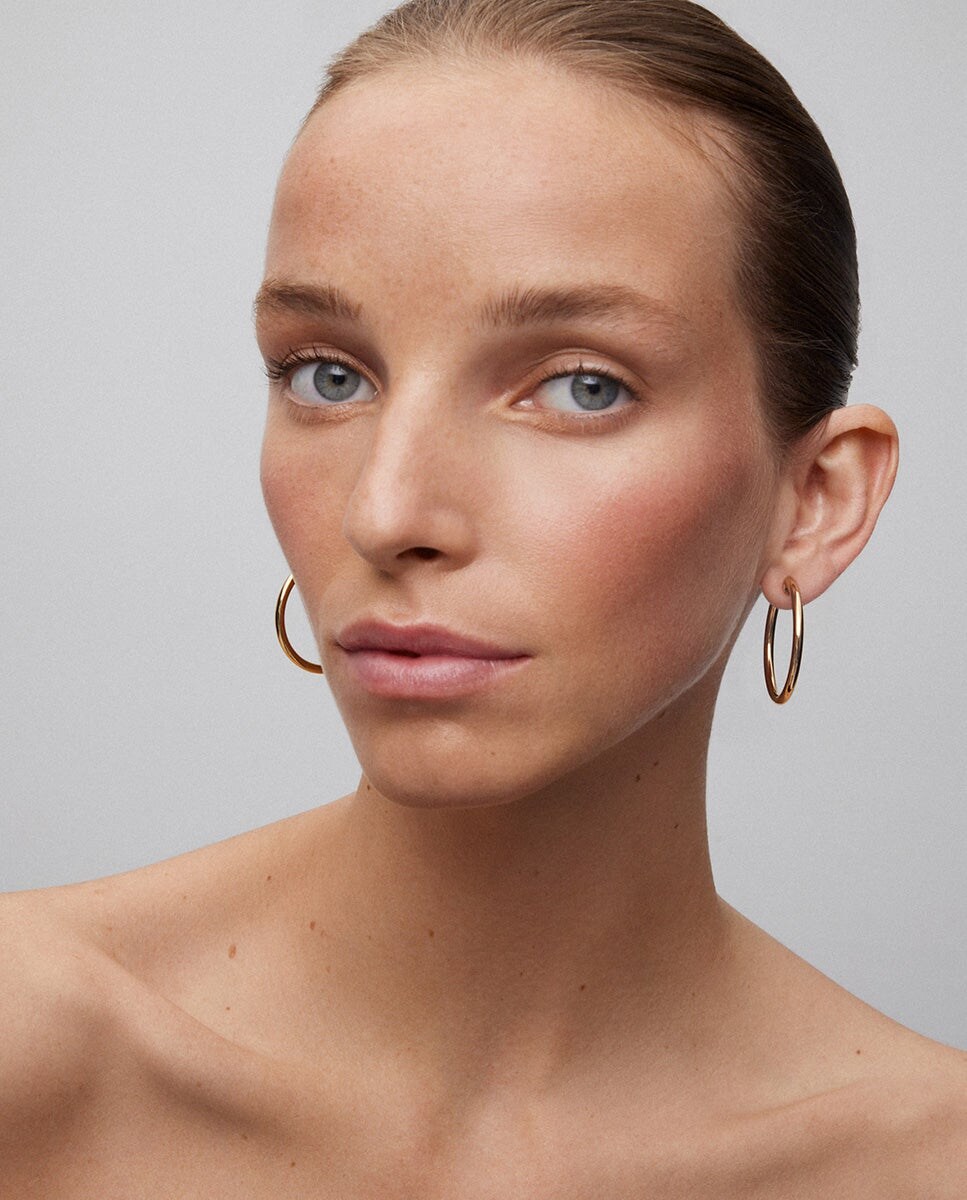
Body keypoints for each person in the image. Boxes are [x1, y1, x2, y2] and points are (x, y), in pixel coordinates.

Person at [1, 0, 964, 1193]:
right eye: (327, 375)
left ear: (813, 502)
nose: (386, 511)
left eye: (580, 387)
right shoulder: (35, 1053)